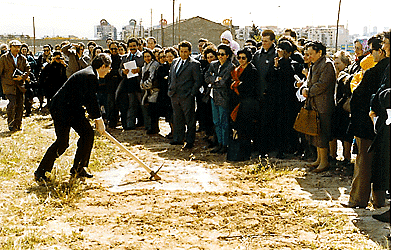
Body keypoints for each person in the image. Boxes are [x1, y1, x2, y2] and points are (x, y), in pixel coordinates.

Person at [34, 53, 111, 183]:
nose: (110, 71)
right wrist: (99, 120)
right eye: (109, 68)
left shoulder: (89, 73)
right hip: (62, 110)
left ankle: (79, 168)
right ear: (103, 66)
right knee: (63, 143)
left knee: (87, 134)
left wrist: (97, 119)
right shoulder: (90, 75)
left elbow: (88, 100)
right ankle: (41, 172)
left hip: (72, 109)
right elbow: (91, 101)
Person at [342, 35, 390, 209]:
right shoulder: (388, 68)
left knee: (363, 163)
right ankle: (379, 201)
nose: (371, 54)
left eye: (373, 50)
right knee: (380, 165)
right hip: (383, 124)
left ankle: (357, 199)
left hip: (367, 122)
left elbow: (359, 97)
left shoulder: (373, 71)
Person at [301, 41, 336, 173]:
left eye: (311, 53)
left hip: (323, 105)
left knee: (323, 133)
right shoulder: (315, 64)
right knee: (316, 132)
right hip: (314, 104)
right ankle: (318, 159)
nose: (309, 56)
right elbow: (309, 81)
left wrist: (308, 91)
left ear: (319, 52)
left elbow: (322, 84)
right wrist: (305, 88)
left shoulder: (327, 64)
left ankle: (324, 162)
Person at [168, 40, 202, 149]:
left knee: (190, 119)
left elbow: (197, 81)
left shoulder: (194, 64)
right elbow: (171, 77)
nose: (183, 53)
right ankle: (178, 138)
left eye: (185, 51)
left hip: (187, 96)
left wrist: (192, 93)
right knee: (177, 118)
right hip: (174, 95)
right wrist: (170, 89)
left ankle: (190, 140)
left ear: (190, 52)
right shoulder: (175, 62)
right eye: (181, 51)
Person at [228, 48, 259, 161]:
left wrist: (238, 85)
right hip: (238, 103)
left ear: (248, 59)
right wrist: (238, 84)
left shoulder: (252, 70)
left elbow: (249, 88)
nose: (241, 60)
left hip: (248, 104)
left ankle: (246, 154)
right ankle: (239, 152)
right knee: (239, 128)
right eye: (239, 58)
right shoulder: (236, 70)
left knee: (246, 129)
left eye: (243, 58)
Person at [252, 29, 279, 157]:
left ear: (272, 41)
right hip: (259, 93)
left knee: (271, 122)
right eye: (262, 41)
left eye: (266, 41)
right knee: (259, 122)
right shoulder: (257, 55)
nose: (264, 43)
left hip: (272, 95)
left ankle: (271, 147)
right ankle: (260, 147)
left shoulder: (276, 55)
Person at [205, 44, 235, 154]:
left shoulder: (230, 66)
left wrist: (214, 80)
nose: (220, 56)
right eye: (218, 54)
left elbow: (223, 82)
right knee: (216, 121)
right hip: (213, 96)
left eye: (222, 54)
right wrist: (216, 79)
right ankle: (219, 143)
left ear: (227, 55)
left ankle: (224, 144)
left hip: (223, 97)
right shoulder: (213, 64)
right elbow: (206, 77)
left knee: (224, 122)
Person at [330, 50, 354, 168]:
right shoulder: (334, 75)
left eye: (338, 63)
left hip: (343, 109)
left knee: (345, 136)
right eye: (334, 64)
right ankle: (332, 155)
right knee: (333, 134)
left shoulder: (347, 75)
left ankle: (346, 158)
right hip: (336, 109)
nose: (336, 66)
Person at [0, 40, 30, 132]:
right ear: (10, 47)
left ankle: (18, 124)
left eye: (18, 47)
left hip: (20, 85)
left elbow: (28, 69)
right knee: (12, 104)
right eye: (15, 46)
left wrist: (22, 77)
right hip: (9, 85)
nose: (17, 49)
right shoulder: (4, 58)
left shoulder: (22, 58)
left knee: (20, 106)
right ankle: (11, 124)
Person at [117, 37, 144, 130]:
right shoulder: (125, 57)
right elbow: (119, 69)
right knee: (131, 105)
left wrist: (140, 70)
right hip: (129, 84)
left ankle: (145, 124)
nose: (132, 48)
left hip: (140, 83)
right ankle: (130, 125)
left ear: (137, 46)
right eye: (130, 46)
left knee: (143, 105)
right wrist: (123, 72)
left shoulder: (143, 56)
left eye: (134, 46)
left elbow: (146, 68)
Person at [155, 47, 177, 138]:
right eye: (167, 56)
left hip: (176, 94)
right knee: (169, 115)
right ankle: (172, 131)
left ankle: (177, 132)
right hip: (165, 94)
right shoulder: (162, 67)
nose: (169, 58)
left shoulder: (177, 66)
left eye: (171, 56)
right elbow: (159, 79)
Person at [140, 49, 160, 134]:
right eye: (145, 57)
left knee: (153, 110)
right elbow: (142, 77)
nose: (147, 58)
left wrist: (146, 85)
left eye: (148, 56)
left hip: (153, 90)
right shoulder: (144, 66)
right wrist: (142, 85)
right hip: (146, 91)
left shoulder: (154, 64)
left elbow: (152, 77)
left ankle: (154, 128)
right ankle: (150, 126)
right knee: (149, 110)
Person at [104, 41, 122, 129]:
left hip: (120, 83)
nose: (114, 50)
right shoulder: (107, 59)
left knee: (119, 103)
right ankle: (112, 122)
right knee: (110, 104)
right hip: (109, 84)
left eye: (116, 48)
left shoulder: (122, 59)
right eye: (112, 49)